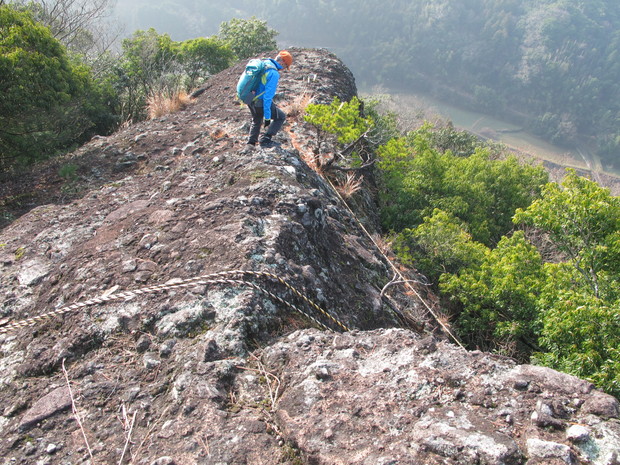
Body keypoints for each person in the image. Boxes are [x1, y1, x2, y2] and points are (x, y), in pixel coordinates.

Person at [242, 50, 293, 150]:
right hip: (260, 101)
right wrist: (268, 119)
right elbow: (267, 97)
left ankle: (251, 144)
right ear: (282, 62)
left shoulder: (263, 63)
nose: (284, 69)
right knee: (281, 117)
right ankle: (265, 139)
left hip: (250, 98)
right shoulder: (274, 73)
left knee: (257, 119)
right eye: (285, 66)